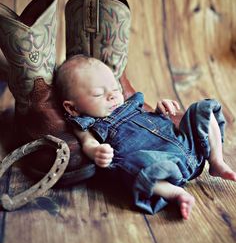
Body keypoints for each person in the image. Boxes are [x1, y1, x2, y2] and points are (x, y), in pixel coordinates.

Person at [55, 55, 236, 220]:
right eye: (98, 94)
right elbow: (88, 142)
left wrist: (160, 111)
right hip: (160, 165)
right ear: (72, 108)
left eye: (115, 88)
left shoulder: (129, 104)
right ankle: (174, 193)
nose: (112, 96)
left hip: (187, 146)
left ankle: (216, 160)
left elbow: (149, 120)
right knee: (133, 164)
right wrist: (96, 151)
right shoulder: (87, 124)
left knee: (202, 109)